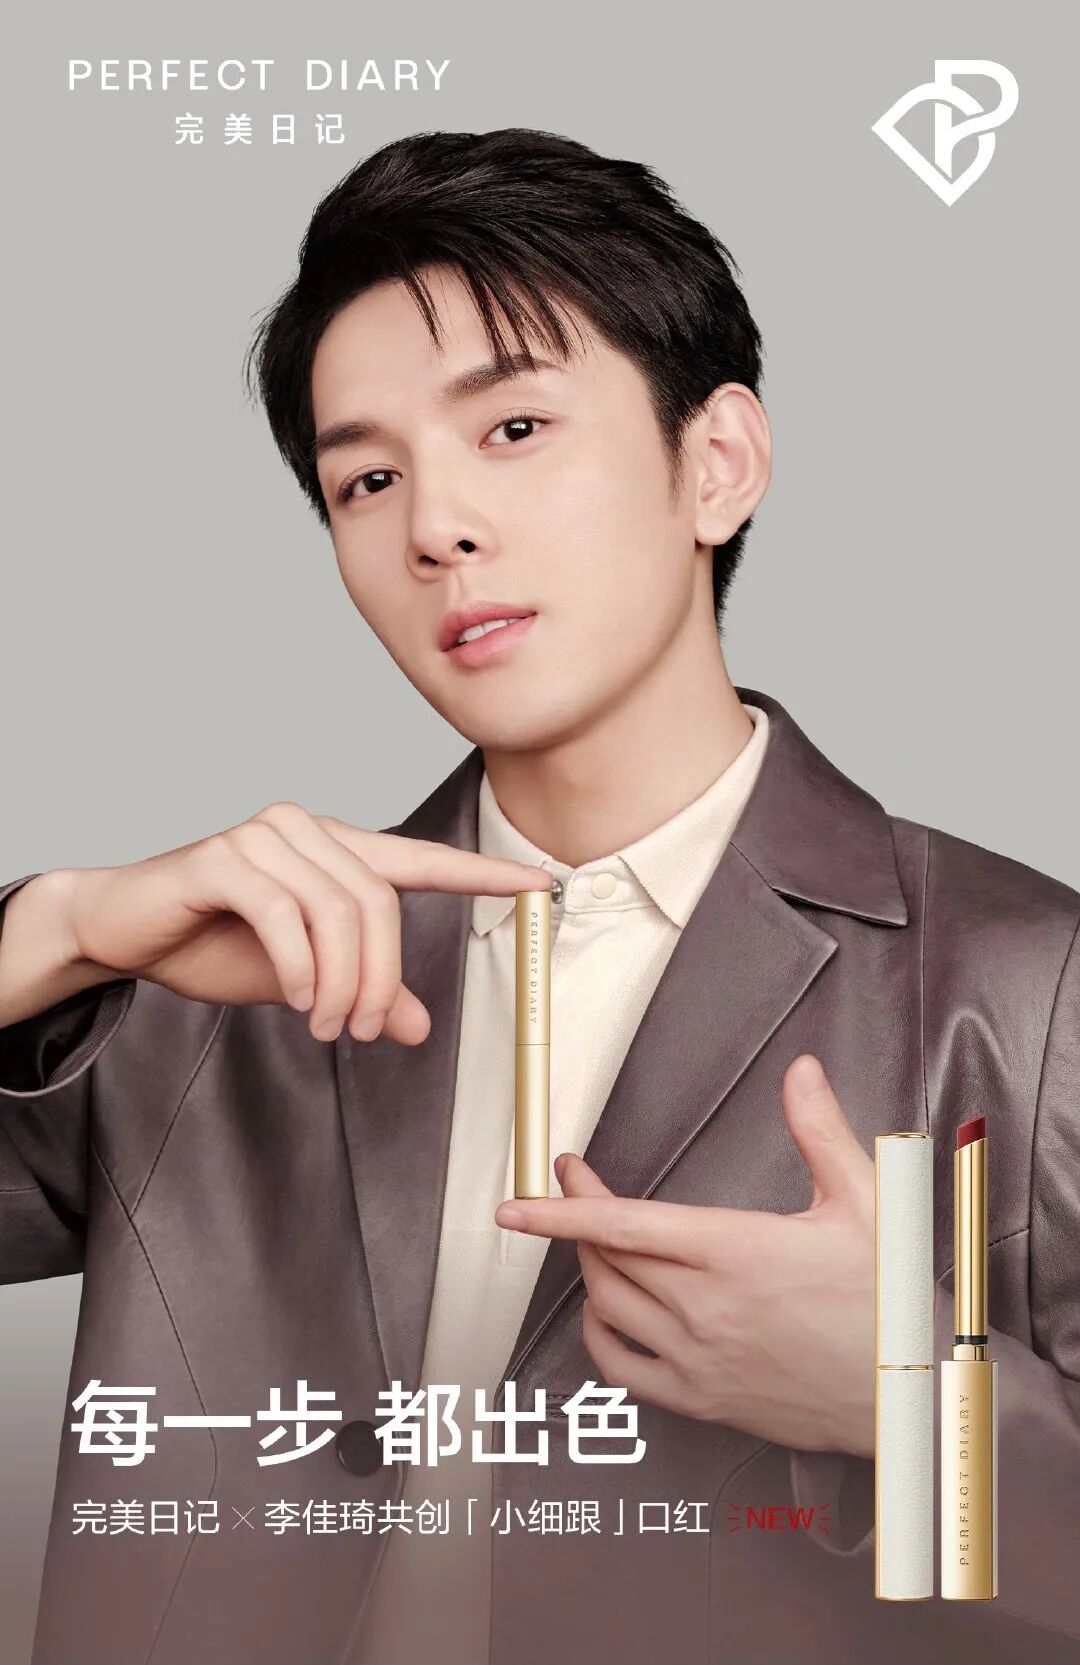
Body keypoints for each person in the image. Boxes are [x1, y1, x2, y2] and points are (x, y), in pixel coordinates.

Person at [1, 128, 1078, 1665]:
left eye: (512, 426)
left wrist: (917, 1399)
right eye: (367, 477)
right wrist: (54, 929)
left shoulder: (1023, 985)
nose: (434, 524)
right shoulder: (212, 975)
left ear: (716, 463)